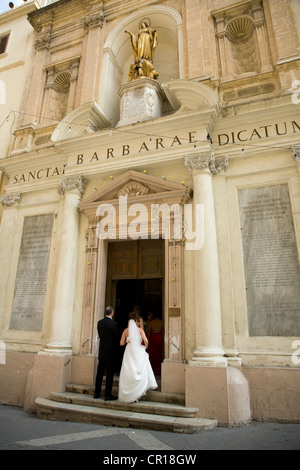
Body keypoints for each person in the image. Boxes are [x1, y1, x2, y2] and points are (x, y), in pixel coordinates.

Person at [118, 311, 157, 403]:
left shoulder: (125, 331)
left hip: (129, 351)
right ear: (136, 321)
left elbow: (121, 343)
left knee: (129, 370)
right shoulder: (140, 330)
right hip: (138, 351)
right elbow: (146, 341)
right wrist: (145, 347)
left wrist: (127, 341)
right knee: (139, 369)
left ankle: (129, 394)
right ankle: (136, 394)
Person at [94, 306, 118, 401]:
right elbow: (116, 339)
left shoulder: (100, 323)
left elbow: (100, 335)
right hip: (111, 352)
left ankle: (97, 393)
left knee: (99, 373)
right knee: (109, 374)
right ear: (112, 313)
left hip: (102, 351)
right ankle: (107, 394)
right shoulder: (113, 324)